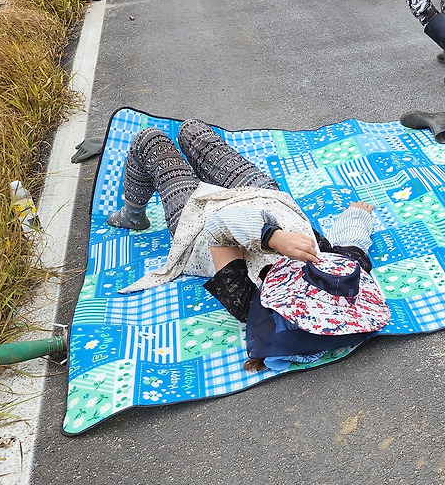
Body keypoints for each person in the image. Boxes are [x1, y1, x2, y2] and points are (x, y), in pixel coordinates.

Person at [106, 120, 384, 367]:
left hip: (198, 220)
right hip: (266, 198)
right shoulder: (347, 277)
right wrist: (357, 215)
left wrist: (272, 237)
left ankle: (132, 215)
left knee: (151, 140)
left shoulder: (247, 299)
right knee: (193, 131)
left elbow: (219, 229)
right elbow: (352, 243)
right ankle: (200, 177)